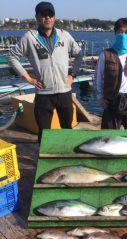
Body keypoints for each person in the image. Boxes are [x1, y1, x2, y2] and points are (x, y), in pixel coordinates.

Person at [8, 1, 82, 143]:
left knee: (67, 128)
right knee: (44, 134)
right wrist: (28, 78)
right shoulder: (30, 37)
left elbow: (79, 54)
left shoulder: (64, 35)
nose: (47, 17)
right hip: (43, 95)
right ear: (37, 17)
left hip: (64, 92)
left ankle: (68, 158)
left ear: (54, 17)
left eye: (50, 14)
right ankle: (44, 161)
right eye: (43, 14)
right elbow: (12, 56)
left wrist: (73, 74)